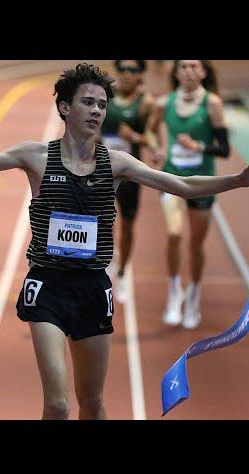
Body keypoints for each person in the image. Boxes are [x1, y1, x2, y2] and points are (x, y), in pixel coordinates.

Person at [0, 63, 249, 420]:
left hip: (94, 287)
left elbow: (181, 186)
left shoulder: (117, 163)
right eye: (88, 102)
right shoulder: (35, 156)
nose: (97, 111)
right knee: (58, 406)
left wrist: (235, 181)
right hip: (47, 286)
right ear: (65, 108)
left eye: (102, 105)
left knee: (92, 403)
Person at [148, 60, 231, 330]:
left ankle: (193, 295)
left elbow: (224, 149)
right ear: (176, 72)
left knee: (195, 245)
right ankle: (175, 292)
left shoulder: (212, 104)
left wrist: (199, 146)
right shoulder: (163, 104)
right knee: (173, 234)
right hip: (173, 177)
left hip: (203, 182)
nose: (188, 71)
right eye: (183, 66)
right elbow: (149, 129)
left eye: (194, 66)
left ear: (203, 72)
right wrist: (158, 147)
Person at [99, 60, 157, 303]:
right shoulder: (105, 98)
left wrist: (134, 136)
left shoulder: (146, 103)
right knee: (103, 219)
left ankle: (123, 273)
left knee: (128, 224)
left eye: (132, 70)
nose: (125, 74)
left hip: (131, 173)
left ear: (140, 74)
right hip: (102, 169)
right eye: (122, 69)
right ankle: (108, 258)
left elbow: (151, 138)